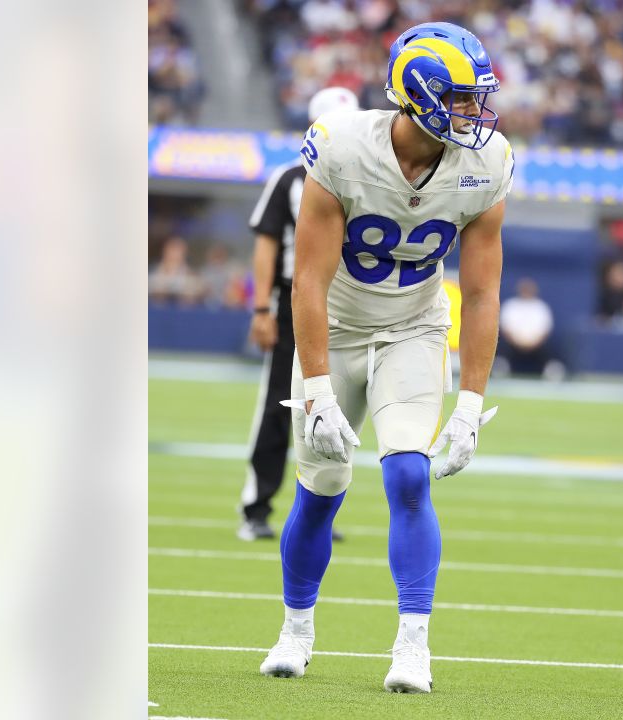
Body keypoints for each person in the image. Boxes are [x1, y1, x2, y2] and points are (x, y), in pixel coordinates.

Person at [257, 22, 512, 694]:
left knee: (407, 475)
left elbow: (483, 293)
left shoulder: (487, 164)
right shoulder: (343, 149)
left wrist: (471, 407)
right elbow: (307, 280)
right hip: (334, 329)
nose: (474, 114)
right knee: (322, 490)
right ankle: (296, 628)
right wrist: (314, 386)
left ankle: (412, 645)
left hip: (414, 328)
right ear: (420, 94)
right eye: (461, 98)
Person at [237, 86, 361, 542]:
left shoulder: (369, 176)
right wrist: (261, 307)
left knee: (337, 411)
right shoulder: (290, 178)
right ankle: (257, 506)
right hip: (294, 301)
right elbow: (267, 245)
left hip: (346, 305)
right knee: (275, 407)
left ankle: (318, 516)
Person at [499, 277, 554, 375]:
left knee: (548, 354)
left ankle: (550, 372)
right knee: (501, 351)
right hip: (513, 344)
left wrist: (534, 343)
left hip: (537, 345)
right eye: (524, 289)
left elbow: (545, 331)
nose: (526, 292)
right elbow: (505, 329)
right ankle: (500, 370)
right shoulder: (511, 305)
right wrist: (516, 342)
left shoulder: (540, 306)